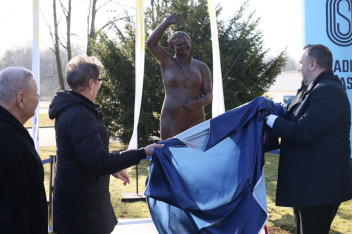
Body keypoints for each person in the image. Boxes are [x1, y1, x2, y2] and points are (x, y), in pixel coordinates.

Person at [48, 55, 163, 234]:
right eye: (100, 79)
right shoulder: (79, 115)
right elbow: (99, 162)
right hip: (81, 208)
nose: (101, 84)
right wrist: (142, 152)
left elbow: (87, 155)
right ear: (91, 83)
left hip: (81, 199)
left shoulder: (77, 109)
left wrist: (113, 168)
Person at [265, 44, 352, 233]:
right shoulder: (311, 89)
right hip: (308, 186)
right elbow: (293, 120)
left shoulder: (329, 91)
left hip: (320, 188)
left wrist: (270, 120)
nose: (298, 67)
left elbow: (303, 131)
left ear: (312, 64)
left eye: (301, 63)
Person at [147, 13, 213, 140]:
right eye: (178, 45)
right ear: (173, 47)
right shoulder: (166, 62)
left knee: (196, 157)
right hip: (171, 120)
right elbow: (151, 43)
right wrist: (166, 22)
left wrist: (198, 103)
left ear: (190, 42)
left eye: (185, 42)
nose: (183, 46)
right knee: (170, 156)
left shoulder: (201, 67)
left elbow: (209, 95)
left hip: (196, 119)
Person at [0, 67, 47, 233]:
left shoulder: (11, 132)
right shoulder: (8, 141)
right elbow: (12, 212)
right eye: (35, 93)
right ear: (21, 99)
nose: (39, 97)